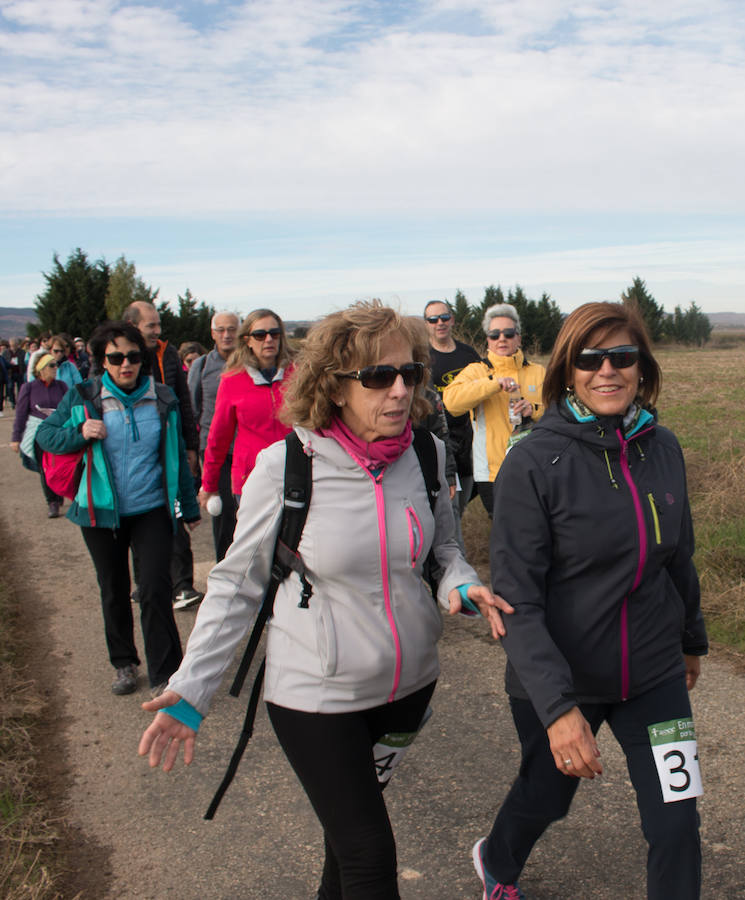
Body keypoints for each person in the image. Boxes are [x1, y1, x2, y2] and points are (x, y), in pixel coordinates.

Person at [139, 300, 514, 900]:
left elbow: (443, 550)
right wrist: (191, 689)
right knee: (369, 853)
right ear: (335, 387)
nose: (398, 390)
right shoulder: (287, 467)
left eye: (408, 374)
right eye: (377, 377)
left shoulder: (425, 454)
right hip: (317, 696)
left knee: (346, 846)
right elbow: (236, 586)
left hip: (407, 690)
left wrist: (460, 585)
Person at [472, 301, 708, 900]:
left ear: (641, 367)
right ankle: (497, 860)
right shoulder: (531, 460)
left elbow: (677, 555)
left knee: (677, 822)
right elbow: (517, 597)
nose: (608, 371)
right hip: (561, 675)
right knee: (547, 797)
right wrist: (557, 709)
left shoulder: (664, 447)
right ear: (568, 371)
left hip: (653, 671)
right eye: (590, 358)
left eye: (622, 357)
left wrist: (691, 641)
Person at [36, 321, 201, 697]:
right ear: (102, 360)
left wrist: (188, 508)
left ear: (142, 359)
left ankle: (166, 672)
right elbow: (46, 436)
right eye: (115, 357)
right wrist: (80, 433)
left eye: (132, 356)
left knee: (156, 588)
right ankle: (124, 663)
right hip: (100, 513)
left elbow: (175, 458)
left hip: (152, 510)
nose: (125, 364)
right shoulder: (84, 396)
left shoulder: (162, 398)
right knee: (113, 588)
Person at [123, 301, 202, 610]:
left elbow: (184, 401)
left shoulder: (168, 354)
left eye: (158, 325)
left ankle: (182, 585)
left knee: (178, 514)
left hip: (171, 450)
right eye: (151, 326)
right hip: (136, 453)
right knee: (140, 518)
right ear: (132, 326)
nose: (158, 331)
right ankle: (145, 583)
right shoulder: (117, 355)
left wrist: (191, 446)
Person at [443, 303, 545, 517]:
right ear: (487, 339)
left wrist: (534, 409)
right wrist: (493, 384)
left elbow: (560, 412)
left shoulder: (538, 372)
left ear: (518, 337)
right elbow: (452, 402)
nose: (502, 339)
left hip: (538, 468)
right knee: (506, 533)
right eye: (494, 334)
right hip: (493, 473)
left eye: (508, 333)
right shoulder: (476, 371)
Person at [198, 308, 292, 509]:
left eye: (274, 334)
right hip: (252, 480)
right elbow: (218, 438)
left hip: (294, 476)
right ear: (247, 340)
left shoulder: (298, 376)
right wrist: (209, 484)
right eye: (260, 335)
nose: (268, 340)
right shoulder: (232, 381)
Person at [424, 299, 481, 543]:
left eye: (444, 318)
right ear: (426, 324)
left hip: (469, 439)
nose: (440, 323)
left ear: (452, 320)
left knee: (464, 500)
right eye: (433, 319)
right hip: (438, 442)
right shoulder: (423, 357)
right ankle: (457, 566)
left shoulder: (468, 355)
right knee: (451, 509)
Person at [187, 311, 240, 562]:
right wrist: (195, 453)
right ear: (213, 334)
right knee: (224, 516)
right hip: (216, 452)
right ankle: (224, 569)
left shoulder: (250, 365)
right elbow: (193, 408)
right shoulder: (202, 366)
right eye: (221, 330)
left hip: (246, 451)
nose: (227, 335)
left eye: (232, 329)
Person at [10, 352, 68, 517]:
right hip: (39, 434)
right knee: (45, 468)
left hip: (58, 431)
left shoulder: (62, 386)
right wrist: (16, 437)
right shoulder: (29, 388)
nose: (55, 368)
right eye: (51, 365)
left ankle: (59, 492)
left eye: (55, 365)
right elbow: (21, 414)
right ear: (41, 369)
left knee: (61, 465)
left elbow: (70, 407)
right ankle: (52, 502)